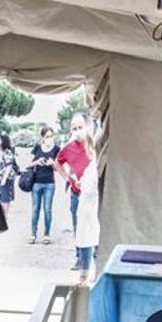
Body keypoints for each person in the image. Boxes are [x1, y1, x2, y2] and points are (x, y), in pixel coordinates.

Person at [56, 112, 95, 270]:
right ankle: (80, 258)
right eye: (74, 128)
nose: (78, 131)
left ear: (87, 127)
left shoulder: (94, 145)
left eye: (80, 127)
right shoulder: (68, 148)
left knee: (94, 225)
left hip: (92, 194)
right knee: (78, 225)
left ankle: (95, 255)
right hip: (76, 193)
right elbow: (58, 163)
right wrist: (67, 178)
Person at [68, 116, 101, 282]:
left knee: (90, 237)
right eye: (74, 128)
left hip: (92, 203)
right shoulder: (80, 155)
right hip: (84, 202)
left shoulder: (94, 159)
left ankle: (88, 274)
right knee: (84, 237)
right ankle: (84, 274)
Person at [28, 126, 59, 244]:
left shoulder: (56, 149)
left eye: (51, 136)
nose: (49, 139)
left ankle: (46, 234)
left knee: (47, 210)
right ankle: (33, 234)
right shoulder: (37, 148)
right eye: (47, 137)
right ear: (42, 137)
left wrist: (52, 164)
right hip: (36, 183)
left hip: (49, 184)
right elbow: (28, 164)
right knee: (35, 209)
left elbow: (58, 169)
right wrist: (37, 161)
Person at [0, 133, 19, 214]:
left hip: (4, 180)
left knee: (5, 200)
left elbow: (9, 166)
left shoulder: (7, 152)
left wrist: (4, 179)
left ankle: (4, 217)